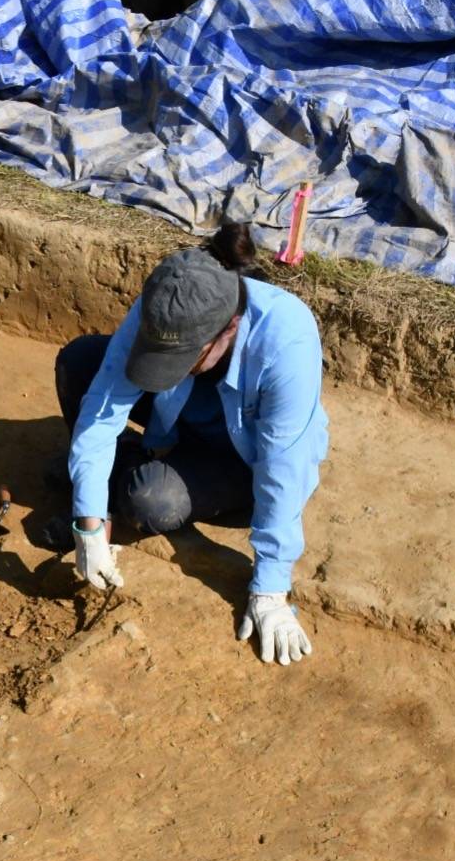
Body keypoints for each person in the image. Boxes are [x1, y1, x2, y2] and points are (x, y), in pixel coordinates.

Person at [56, 223, 329, 664]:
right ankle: (106, 489)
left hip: (242, 455)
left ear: (228, 329)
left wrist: (270, 590)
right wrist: (87, 523)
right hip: (178, 421)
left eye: (184, 361)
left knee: (149, 501)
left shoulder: (287, 340)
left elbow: (282, 468)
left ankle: (127, 481)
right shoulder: (162, 305)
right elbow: (103, 406)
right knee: (79, 363)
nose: (173, 369)